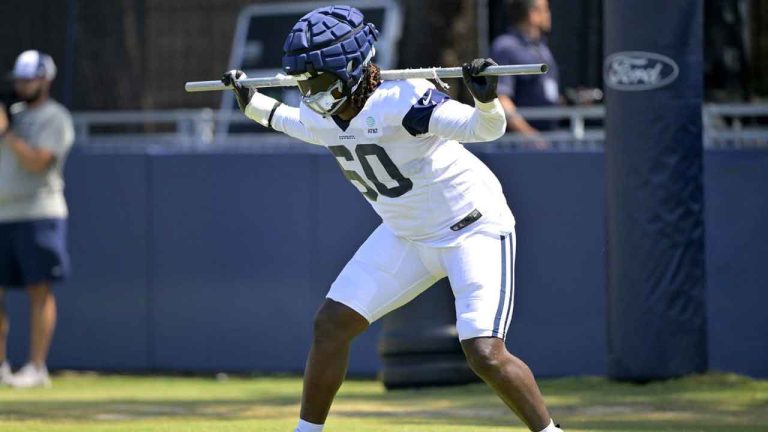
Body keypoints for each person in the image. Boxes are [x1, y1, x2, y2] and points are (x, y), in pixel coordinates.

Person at [223, 6, 564, 432]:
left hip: (472, 228)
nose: (311, 94)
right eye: (304, 82)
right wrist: (250, 101)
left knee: (484, 353)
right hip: (406, 236)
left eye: (320, 82)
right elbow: (287, 119)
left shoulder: (402, 102)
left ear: (352, 71)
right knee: (331, 324)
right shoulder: (321, 114)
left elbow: (485, 129)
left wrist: (485, 99)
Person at [0, 50, 74, 388]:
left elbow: (37, 162)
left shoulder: (55, 117)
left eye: (29, 79)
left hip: (39, 212)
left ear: (45, 80)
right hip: (3, 212)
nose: (22, 85)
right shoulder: (11, 114)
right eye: (19, 79)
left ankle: (36, 367)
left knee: (39, 290)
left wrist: (6, 134)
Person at [491, 0, 560, 142]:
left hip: (549, 137)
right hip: (517, 145)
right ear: (532, 14)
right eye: (545, 10)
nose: (548, 15)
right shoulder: (505, 47)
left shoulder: (542, 48)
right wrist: (529, 135)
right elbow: (501, 98)